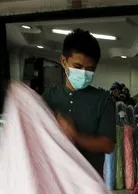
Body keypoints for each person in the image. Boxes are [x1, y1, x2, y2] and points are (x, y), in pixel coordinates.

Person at [43, 29, 115, 177]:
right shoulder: (50, 96)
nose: (83, 73)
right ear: (64, 61)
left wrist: (75, 136)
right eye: (77, 67)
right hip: (55, 178)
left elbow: (107, 145)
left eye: (89, 69)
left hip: (88, 181)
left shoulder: (103, 99)